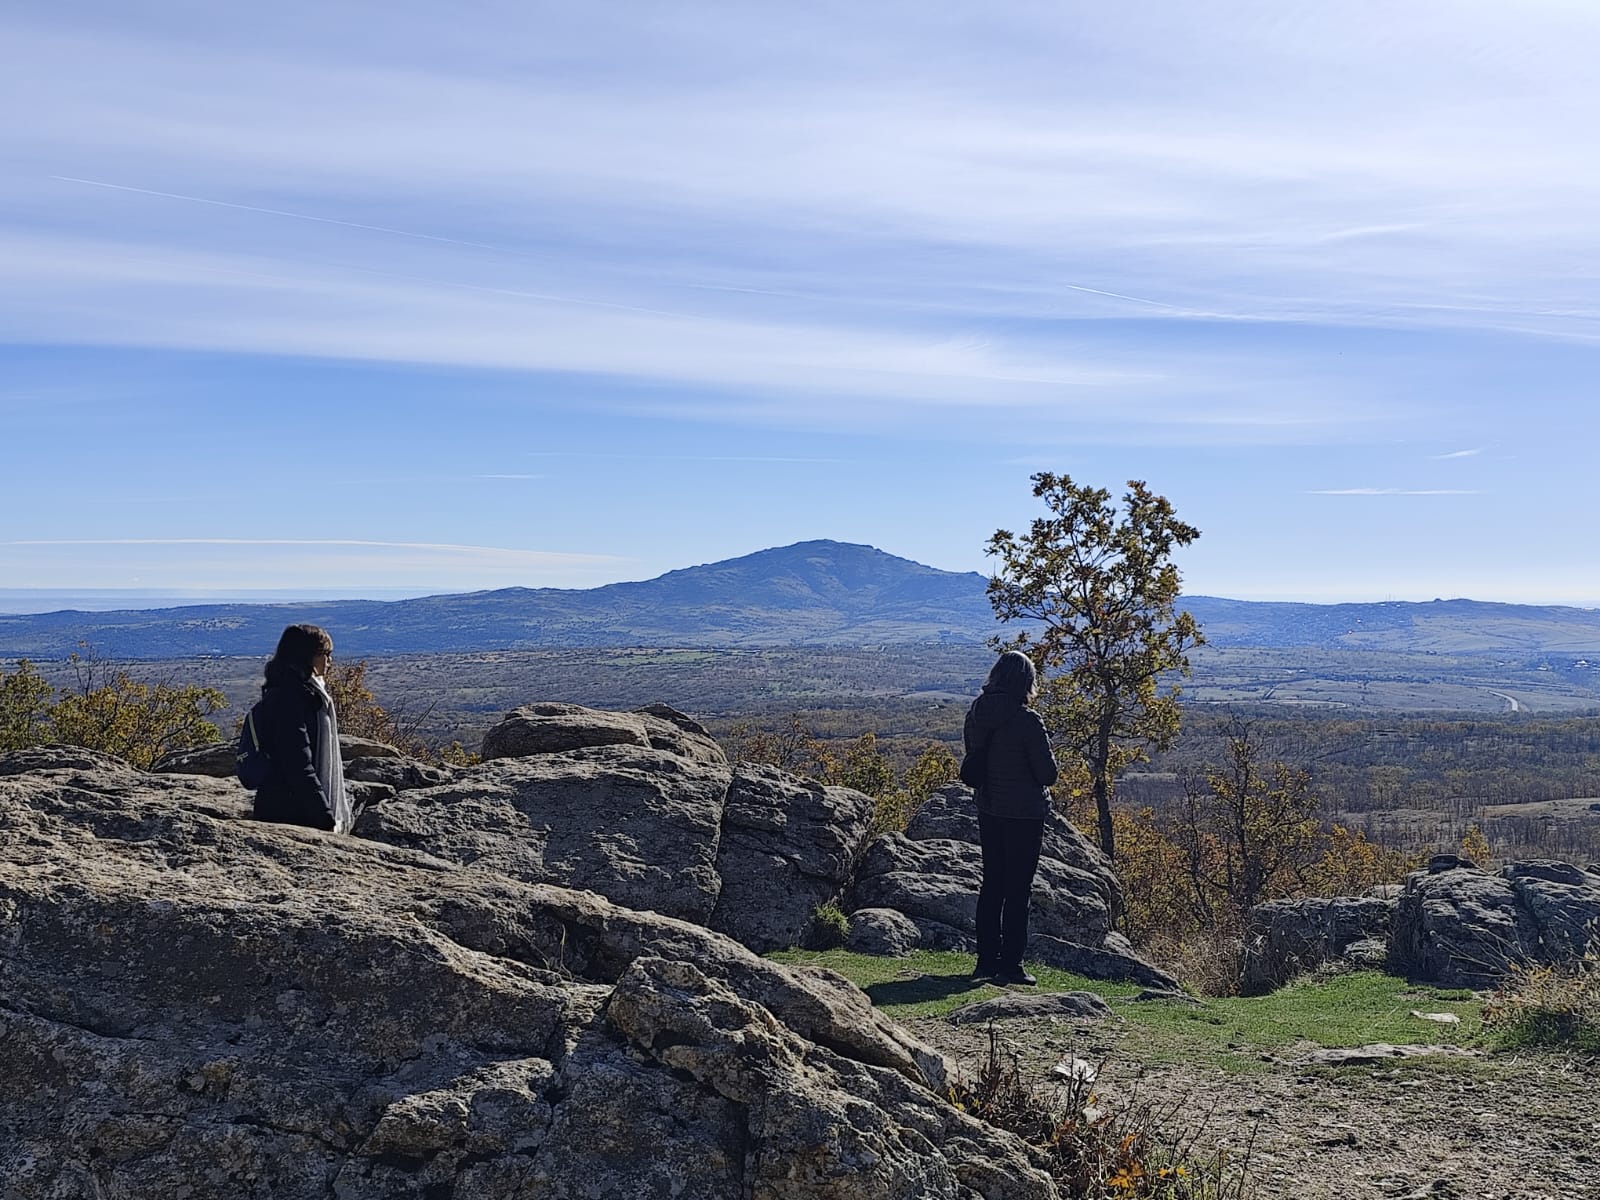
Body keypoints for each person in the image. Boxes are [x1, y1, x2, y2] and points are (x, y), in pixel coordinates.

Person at [963, 649, 1058, 985]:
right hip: (1025, 815)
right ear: (1026, 682)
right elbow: (1048, 774)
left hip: (989, 809)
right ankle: (1012, 966)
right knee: (1018, 891)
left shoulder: (976, 714)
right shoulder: (1028, 721)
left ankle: (985, 962)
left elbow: (975, 760)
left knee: (992, 887)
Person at [251, 623, 352, 833]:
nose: (330, 661)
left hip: (289, 806)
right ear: (307, 656)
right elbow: (297, 762)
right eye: (326, 653)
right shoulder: (288, 699)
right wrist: (324, 816)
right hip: (288, 812)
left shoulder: (304, 694)